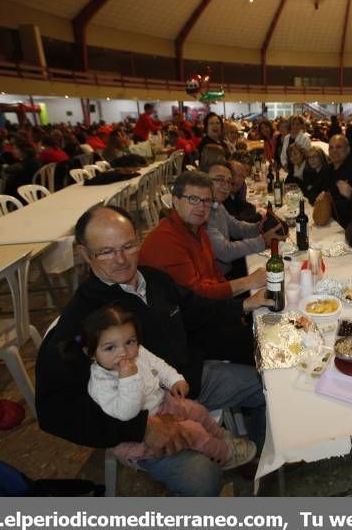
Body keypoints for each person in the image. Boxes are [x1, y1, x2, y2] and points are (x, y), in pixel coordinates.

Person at [36, 205, 270, 496]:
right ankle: (222, 459)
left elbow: (195, 308)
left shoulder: (154, 279)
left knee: (268, 387)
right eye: (106, 252)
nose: (121, 260)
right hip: (145, 413)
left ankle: (262, 466)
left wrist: (246, 304)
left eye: (128, 246)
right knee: (202, 478)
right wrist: (140, 428)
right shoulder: (84, 321)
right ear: (84, 254)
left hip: (188, 380)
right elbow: (54, 410)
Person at [82, 304, 255, 469]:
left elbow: (157, 364)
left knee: (197, 410)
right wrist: (128, 378)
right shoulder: (101, 383)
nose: (123, 352)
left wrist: (174, 380)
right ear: (91, 353)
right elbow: (128, 413)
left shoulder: (138, 351)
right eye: (110, 348)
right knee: (194, 432)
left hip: (162, 403)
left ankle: (220, 435)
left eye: (130, 342)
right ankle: (224, 455)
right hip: (139, 433)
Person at [140, 170, 266, 300]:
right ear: (175, 201)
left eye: (206, 201)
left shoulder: (198, 229)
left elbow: (215, 275)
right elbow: (196, 296)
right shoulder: (166, 241)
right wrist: (248, 282)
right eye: (193, 199)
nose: (201, 207)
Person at [204, 159, 281, 275]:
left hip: (228, 269)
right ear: (204, 180)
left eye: (229, 181)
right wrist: (263, 241)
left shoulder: (217, 205)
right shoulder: (202, 212)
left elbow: (235, 226)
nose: (226, 186)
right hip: (220, 278)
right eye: (220, 180)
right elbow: (225, 251)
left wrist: (257, 228)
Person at [321, 134, 352, 225]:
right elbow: (316, 191)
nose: (334, 151)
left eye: (339, 147)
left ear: (348, 150)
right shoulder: (326, 169)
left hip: (347, 223)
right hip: (326, 217)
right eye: (331, 148)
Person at [222, 156, 260, 223]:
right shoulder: (222, 197)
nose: (238, 180)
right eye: (235, 174)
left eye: (242, 176)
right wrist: (258, 216)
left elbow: (250, 207)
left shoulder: (233, 195)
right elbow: (234, 221)